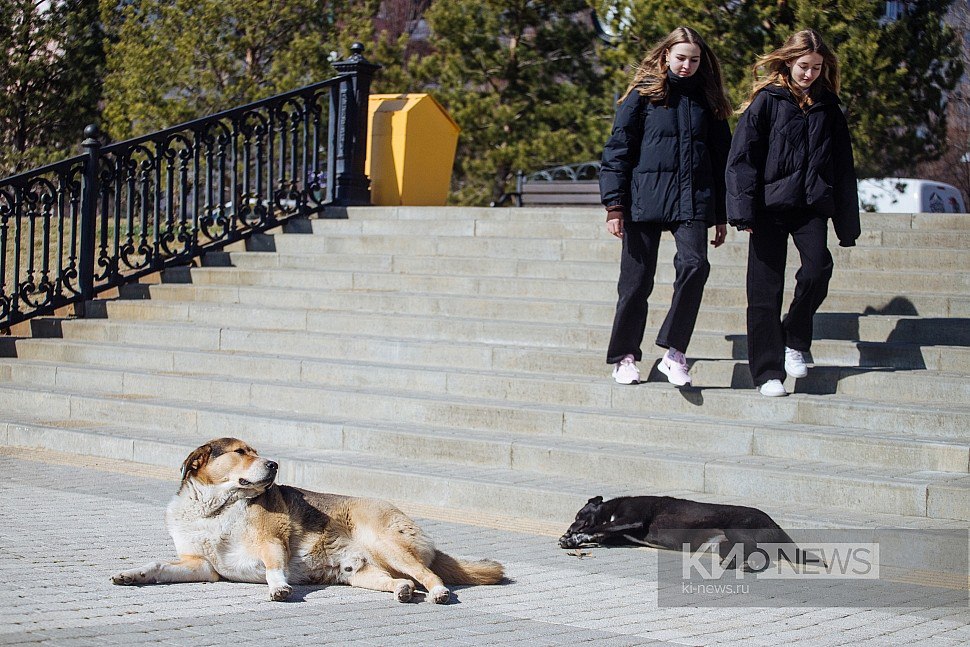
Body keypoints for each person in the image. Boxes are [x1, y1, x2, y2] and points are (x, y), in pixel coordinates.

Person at [726, 29, 860, 397]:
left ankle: (795, 338)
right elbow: (742, 159)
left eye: (817, 67)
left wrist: (847, 225)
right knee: (764, 291)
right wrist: (742, 211)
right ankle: (768, 373)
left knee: (818, 269)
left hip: (810, 206)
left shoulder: (829, 107)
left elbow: (843, 168)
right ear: (788, 61)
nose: (809, 74)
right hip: (768, 208)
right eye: (804, 66)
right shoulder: (767, 101)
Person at [600, 26, 732, 387]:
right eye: (680, 58)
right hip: (644, 200)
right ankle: (624, 357)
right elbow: (618, 150)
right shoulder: (644, 94)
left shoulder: (710, 100)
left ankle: (674, 353)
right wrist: (615, 206)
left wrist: (721, 214)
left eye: (693, 59)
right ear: (665, 57)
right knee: (635, 283)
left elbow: (723, 160)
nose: (686, 65)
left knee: (696, 265)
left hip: (692, 201)